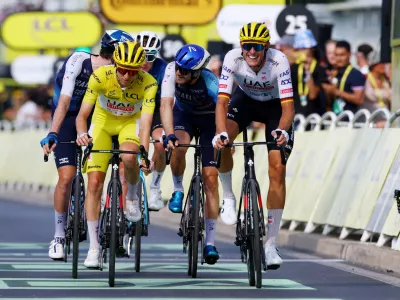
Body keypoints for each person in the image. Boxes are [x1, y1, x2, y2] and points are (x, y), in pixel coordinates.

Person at [40, 29, 134, 261]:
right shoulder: (78, 61)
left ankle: (112, 217)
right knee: (66, 177)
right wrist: (53, 131)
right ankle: (59, 235)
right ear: (112, 52)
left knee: (102, 171)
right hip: (70, 116)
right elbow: (63, 101)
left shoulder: (120, 72)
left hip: (98, 116)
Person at [213, 22, 295, 270]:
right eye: (246, 46)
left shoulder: (279, 61)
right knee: (222, 143)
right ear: (241, 46)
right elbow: (221, 103)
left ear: (266, 47)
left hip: (275, 108)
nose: (251, 51)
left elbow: (288, 108)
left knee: (277, 169)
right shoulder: (232, 58)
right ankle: (227, 194)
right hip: (245, 102)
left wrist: (281, 130)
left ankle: (270, 243)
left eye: (256, 46)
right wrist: (221, 134)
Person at [75, 41, 157, 268]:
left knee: (130, 156)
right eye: (122, 69)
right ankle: (93, 247)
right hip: (102, 123)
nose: (127, 75)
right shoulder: (100, 76)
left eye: (133, 71)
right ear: (115, 64)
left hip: (130, 124)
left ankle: (132, 196)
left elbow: (147, 122)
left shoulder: (149, 83)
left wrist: (144, 155)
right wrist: (82, 134)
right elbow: (83, 115)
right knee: (93, 184)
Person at [160, 44, 220, 265]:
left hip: (209, 122)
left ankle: (211, 242)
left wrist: (224, 136)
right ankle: (177, 189)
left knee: (211, 180)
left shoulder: (211, 82)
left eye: (185, 70)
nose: (179, 72)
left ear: (197, 72)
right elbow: (166, 104)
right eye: (178, 67)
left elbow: (225, 108)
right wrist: (168, 134)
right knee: (178, 146)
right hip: (183, 116)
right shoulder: (170, 71)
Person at [135, 31, 168, 211]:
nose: (145, 61)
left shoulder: (163, 69)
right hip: (132, 110)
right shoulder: (126, 63)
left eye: (151, 56)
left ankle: (155, 187)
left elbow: (165, 104)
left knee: (161, 143)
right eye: (142, 56)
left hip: (154, 109)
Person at [322, 40, 366, 115]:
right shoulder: (334, 73)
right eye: (336, 55)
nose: (339, 58)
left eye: (342, 55)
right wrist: (328, 92)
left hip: (350, 121)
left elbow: (359, 99)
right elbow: (330, 101)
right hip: (335, 119)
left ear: (349, 54)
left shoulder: (355, 74)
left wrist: (336, 91)